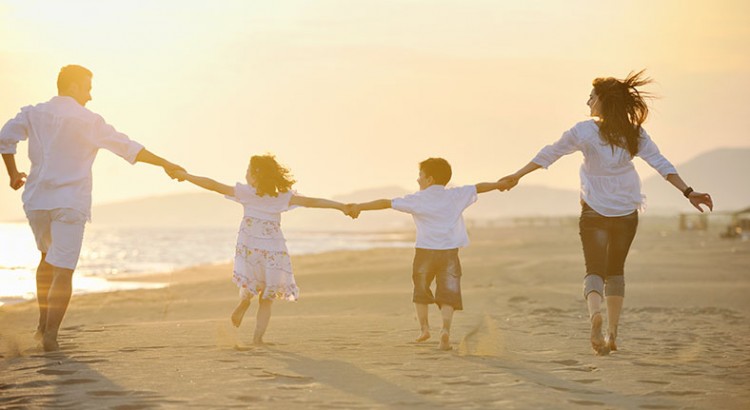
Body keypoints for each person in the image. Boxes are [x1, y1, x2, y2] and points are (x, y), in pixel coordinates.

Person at [499, 70, 713, 355]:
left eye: (591, 97)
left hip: (594, 210)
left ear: (602, 102)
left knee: (594, 269)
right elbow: (661, 164)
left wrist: (517, 175)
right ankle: (612, 334)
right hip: (626, 210)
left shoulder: (584, 131)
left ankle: (594, 315)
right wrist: (688, 192)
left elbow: (550, 153)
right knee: (616, 271)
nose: (588, 102)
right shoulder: (634, 133)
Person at [0, 64, 185, 351]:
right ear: (73, 86)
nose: (90, 95)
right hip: (70, 202)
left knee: (46, 258)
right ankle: (50, 335)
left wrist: (12, 174)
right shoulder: (88, 121)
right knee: (63, 268)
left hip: (36, 201)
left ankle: (41, 326)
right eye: (87, 88)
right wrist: (166, 164)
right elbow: (129, 148)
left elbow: (5, 138)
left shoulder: (33, 112)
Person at [172, 154, 355, 345]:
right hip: (274, 249)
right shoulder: (283, 196)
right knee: (267, 298)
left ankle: (244, 302)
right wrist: (341, 206)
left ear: (255, 175)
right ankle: (258, 340)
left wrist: (186, 176)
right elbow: (313, 202)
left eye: (248, 170)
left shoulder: (246, 193)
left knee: (250, 281)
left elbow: (213, 185)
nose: (245, 174)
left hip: (250, 247)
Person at [349, 158, 511, 350]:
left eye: (420, 176)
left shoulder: (417, 199)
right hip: (449, 253)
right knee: (448, 293)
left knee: (421, 291)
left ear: (430, 179)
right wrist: (500, 184)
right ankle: (445, 331)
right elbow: (479, 187)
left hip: (425, 253)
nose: (418, 180)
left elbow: (386, 203)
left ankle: (424, 329)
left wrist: (359, 206)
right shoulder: (456, 195)